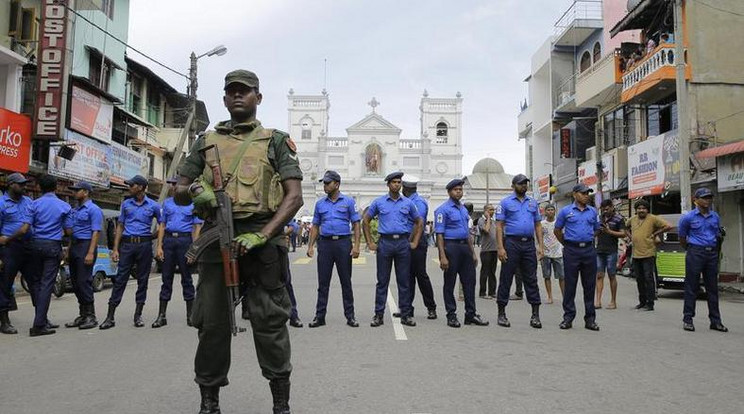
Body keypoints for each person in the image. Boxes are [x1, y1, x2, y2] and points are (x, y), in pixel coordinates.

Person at [176, 69, 303, 414]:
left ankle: (281, 404)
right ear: (224, 98)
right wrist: (195, 190)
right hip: (218, 238)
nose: (237, 96)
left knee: (270, 322)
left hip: (263, 242)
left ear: (257, 98)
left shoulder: (275, 140)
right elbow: (178, 190)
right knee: (212, 324)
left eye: (244, 92)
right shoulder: (206, 141)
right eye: (231, 91)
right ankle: (209, 402)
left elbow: (294, 197)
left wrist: (263, 235)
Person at [100, 174, 161, 330]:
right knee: (120, 279)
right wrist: (115, 249)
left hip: (144, 246)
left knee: (142, 280)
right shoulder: (126, 204)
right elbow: (120, 226)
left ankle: (138, 315)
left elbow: (162, 226)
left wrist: (154, 238)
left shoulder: (153, 206)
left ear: (140, 187)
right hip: (127, 246)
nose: (129, 187)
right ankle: (110, 316)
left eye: (131, 185)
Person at [362, 171, 423, 327]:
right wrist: (369, 242)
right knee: (382, 281)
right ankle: (378, 315)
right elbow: (366, 220)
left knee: (404, 281)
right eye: (394, 182)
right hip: (385, 244)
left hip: (402, 243)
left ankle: (405, 314)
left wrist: (415, 242)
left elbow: (419, 221)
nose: (397, 184)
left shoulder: (408, 203)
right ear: (388, 184)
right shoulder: (379, 202)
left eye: (399, 182)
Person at [306, 170, 361, 327]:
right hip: (325, 245)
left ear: (337, 184)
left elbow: (356, 224)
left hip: (343, 244)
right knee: (323, 283)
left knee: (346, 282)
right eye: (324, 183)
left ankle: (350, 316)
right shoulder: (320, 204)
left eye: (327, 183)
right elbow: (315, 225)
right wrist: (310, 246)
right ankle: (320, 316)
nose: (324, 186)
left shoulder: (349, 202)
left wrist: (356, 245)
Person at [434, 178, 489, 328]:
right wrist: (442, 256)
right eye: (455, 190)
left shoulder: (464, 209)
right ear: (449, 192)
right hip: (451, 247)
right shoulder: (442, 210)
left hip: (465, 247)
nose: (458, 192)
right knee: (450, 283)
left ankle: (470, 314)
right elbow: (439, 234)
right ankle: (451, 315)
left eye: (460, 190)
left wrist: (473, 253)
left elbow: (467, 233)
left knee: (469, 282)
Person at [152, 177, 203, 329]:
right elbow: (162, 225)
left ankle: (190, 315)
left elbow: (197, 227)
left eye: (176, 184)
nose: (173, 187)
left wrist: (194, 249)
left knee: (186, 279)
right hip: (168, 241)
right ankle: (161, 316)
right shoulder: (167, 203)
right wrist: (159, 246)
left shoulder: (193, 204)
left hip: (185, 242)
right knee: (166, 278)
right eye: (172, 184)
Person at [494, 174, 544, 329]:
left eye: (525, 184)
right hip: (512, 244)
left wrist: (540, 246)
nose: (524, 186)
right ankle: (501, 313)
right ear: (513, 185)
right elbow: (499, 226)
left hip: (528, 245)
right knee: (506, 278)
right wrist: (501, 248)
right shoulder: (505, 203)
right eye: (520, 184)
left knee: (531, 279)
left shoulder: (533, 203)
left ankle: (535, 315)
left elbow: (537, 225)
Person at [25, 174, 72, 336]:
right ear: (56, 187)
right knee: (46, 284)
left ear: (39, 187)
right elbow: (68, 231)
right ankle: (39, 324)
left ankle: (42, 318)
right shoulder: (64, 206)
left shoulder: (33, 205)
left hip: (35, 244)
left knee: (37, 283)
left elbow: (27, 228)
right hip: (52, 246)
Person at [679, 188, 727, 332]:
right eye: (704, 197)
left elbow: (717, 234)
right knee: (691, 287)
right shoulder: (688, 218)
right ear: (696, 200)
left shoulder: (715, 216)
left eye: (709, 197)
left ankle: (715, 321)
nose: (708, 200)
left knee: (712, 288)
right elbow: (682, 237)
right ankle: (688, 319)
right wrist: (691, 249)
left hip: (711, 253)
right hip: (695, 252)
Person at [554, 184, 601, 331]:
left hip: (588, 250)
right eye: (583, 193)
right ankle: (568, 318)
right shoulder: (565, 211)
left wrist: (586, 239)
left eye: (588, 193)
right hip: (571, 251)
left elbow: (597, 229)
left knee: (589, 286)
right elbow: (557, 230)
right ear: (575, 194)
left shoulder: (593, 211)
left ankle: (590, 319)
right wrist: (567, 243)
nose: (586, 195)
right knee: (570, 285)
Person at [64, 181, 104, 330]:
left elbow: (95, 232)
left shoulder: (93, 209)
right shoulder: (75, 210)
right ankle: (82, 315)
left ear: (86, 192)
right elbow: (72, 234)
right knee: (75, 283)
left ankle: (91, 316)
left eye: (77, 190)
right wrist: (68, 250)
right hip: (75, 245)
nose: (74, 193)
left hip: (86, 246)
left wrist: (90, 252)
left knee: (83, 281)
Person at [0, 173, 34, 335]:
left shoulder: (28, 201)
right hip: (9, 248)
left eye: (24, 184)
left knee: (35, 282)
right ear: (10, 184)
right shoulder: (1, 203)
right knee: (5, 284)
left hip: (28, 247)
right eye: (20, 184)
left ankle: (41, 319)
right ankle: (5, 322)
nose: (24, 187)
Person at [400, 176, 437, 320]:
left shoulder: (418, 202)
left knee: (420, 275)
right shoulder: (407, 201)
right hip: (407, 241)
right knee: (407, 276)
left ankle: (431, 307)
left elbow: (419, 223)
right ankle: (407, 308)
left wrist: (411, 241)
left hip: (416, 242)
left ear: (406, 189)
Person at [625, 199, 671, 311]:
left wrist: (655, 233)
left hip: (648, 253)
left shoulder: (653, 218)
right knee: (639, 279)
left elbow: (668, 226)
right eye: (639, 209)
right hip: (636, 254)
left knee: (648, 278)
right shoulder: (633, 219)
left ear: (647, 210)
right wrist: (631, 238)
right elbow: (625, 227)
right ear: (636, 210)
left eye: (643, 208)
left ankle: (650, 304)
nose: (641, 210)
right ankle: (642, 302)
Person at [595, 199, 626, 310]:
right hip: (599, 251)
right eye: (603, 209)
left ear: (612, 207)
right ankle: (598, 301)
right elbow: (594, 233)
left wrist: (610, 232)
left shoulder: (619, 219)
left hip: (611, 251)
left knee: (612, 275)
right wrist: (597, 231)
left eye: (607, 209)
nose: (605, 211)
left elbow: (623, 234)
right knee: (599, 275)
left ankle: (613, 301)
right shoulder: (599, 218)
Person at [540, 204, 564, 304]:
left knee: (562, 276)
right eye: (548, 210)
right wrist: (540, 249)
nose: (550, 211)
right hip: (546, 253)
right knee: (547, 276)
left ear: (555, 211)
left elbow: (563, 235)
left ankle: (564, 296)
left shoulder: (559, 223)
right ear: (545, 212)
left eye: (552, 210)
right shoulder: (542, 224)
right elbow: (539, 237)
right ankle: (550, 296)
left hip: (558, 252)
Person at [477, 204, 498, 299]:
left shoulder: (494, 222)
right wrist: (488, 218)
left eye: (493, 210)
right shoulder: (481, 221)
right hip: (486, 250)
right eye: (490, 210)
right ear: (485, 211)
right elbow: (486, 230)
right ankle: (482, 292)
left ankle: (492, 291)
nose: (492, 211)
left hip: (495, 250)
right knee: (485, 271)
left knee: (492, 272)